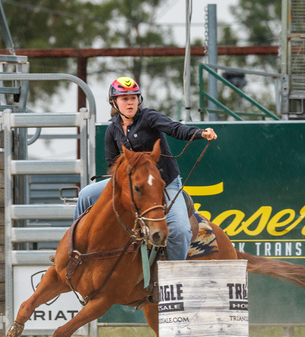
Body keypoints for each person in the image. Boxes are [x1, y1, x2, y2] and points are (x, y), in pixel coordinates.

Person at [73, 77, 217, 261]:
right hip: (131, 184)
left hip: (164, 183)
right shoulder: (112, 130)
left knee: (180, 230)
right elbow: (112, 164)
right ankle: (74, 248)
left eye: (133, 98)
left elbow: (174, 128)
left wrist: (199, 133)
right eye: (124, 98)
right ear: (114, 102)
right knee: (85, 195)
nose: (130, 102)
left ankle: (172, 273)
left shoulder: (149, 117)